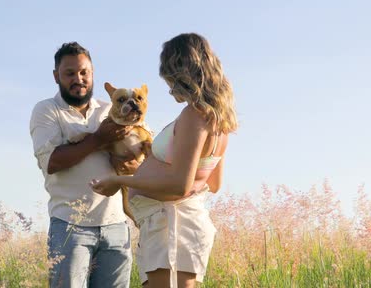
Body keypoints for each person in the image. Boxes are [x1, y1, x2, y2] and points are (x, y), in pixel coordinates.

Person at [90, 33, 238, 287]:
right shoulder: (218, 120)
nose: (169, 89)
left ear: (182, 74)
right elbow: (211, 183)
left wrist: (120, 180)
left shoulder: (194, 116)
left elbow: (180, 185)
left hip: (171, 226)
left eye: (170, 80)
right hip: (172, 224)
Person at [29, 42, 139, 287]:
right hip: (70, 227)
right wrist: (100, 139)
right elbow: (52, 162)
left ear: (92, 73)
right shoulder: (46, 110)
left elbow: (139, 149)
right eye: (69, 74)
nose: (78, 79)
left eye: (84, 72)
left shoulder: (112, 107)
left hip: (116, 226)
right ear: (56, 76)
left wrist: (131, 161)